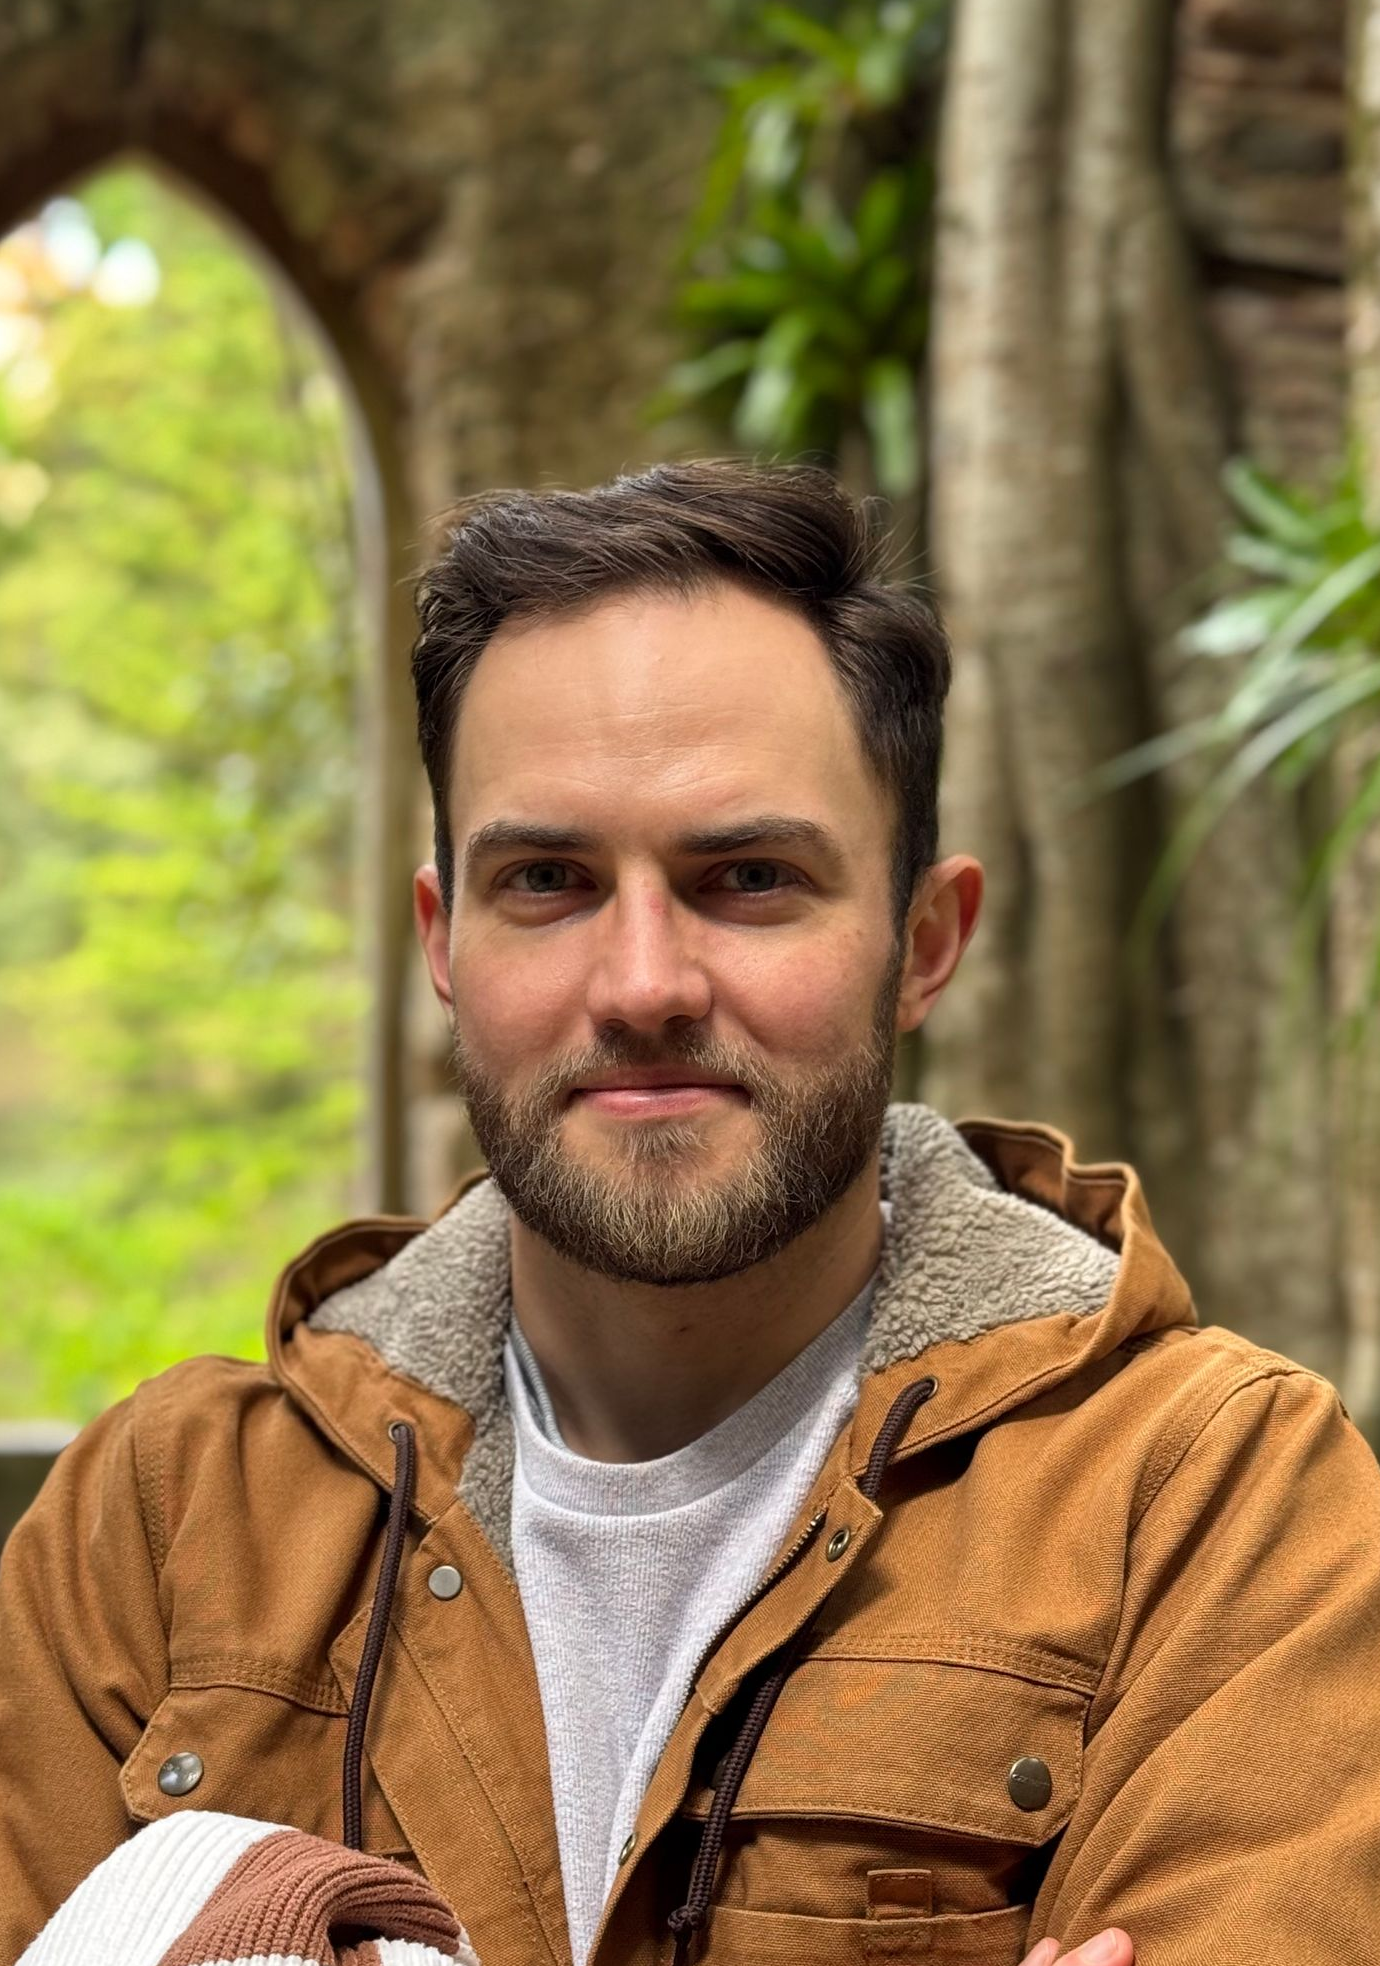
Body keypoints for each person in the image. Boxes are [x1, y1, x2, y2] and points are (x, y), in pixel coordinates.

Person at [1, 460, 1376, 1966]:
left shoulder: (1210, 1509)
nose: (644, 980)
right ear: (444, 939)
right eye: (549, 878)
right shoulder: (161, 1531)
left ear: (924, 942)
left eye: (747, 877)